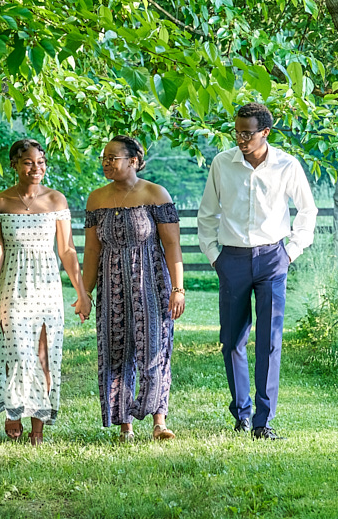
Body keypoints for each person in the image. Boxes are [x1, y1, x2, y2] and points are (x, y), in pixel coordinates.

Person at [198, 103, 318, 440]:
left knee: (269, 342)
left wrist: (290, 252)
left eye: (247, 133)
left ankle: (263, 422)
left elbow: (307, 211)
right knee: (232, 341)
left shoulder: (286, 165)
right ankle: (242, 415)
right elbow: (207, 214)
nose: (240, 138)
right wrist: (214, 256)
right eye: (236, 131)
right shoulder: (222, 164)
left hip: (272, 260)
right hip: (232, 260)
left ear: (265, 132)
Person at [0, 139, 91, 445]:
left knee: (44, 357)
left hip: (47, 288)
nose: (37, 168)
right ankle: (13, 411)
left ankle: (38, 428)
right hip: (13, 287)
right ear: (15, 165)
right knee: (17, 353)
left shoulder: (56, 200)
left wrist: (82, 292)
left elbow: (67, 250)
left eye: (41, 163)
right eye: (29, 162)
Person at [79, 135, 185, 442]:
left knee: (153, 348)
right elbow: (91, 251)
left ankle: (159, 421)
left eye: (114, 158)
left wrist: (178, 288)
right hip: (112, 287)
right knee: (115, 351)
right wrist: (85, 293)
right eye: (104, 158)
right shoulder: (96, 198)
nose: (107, 163)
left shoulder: (155, 193)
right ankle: (125, 424)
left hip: (151, 284)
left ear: (134, 161)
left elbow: (172, 243)